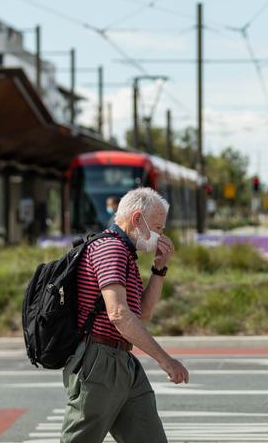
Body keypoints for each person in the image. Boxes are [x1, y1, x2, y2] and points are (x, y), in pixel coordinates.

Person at [61, 187, 188, 443]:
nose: (161, 235)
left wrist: (159, 269)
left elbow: (143, 313)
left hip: (121, 360)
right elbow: (118, 314)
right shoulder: (111, 250)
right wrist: (165, 360)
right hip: (99, 362)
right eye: (158, 227)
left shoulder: (125, 252)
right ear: (137, 219)